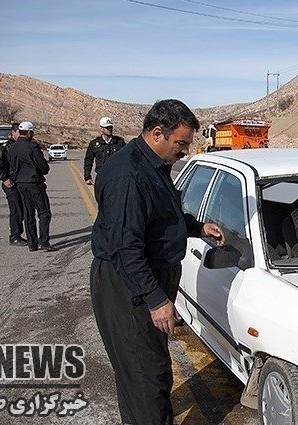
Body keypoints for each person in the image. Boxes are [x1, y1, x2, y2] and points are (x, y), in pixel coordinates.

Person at [90, 99, 224, 425]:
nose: (184, 152)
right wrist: (156, 299)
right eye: (181, 144)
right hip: (130, 284)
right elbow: (126, 248)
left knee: (148, 369)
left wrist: (195, 227)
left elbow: (161, 216)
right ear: (157, 133)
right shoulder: (129, 176)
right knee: (146, 374)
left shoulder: (153, 164)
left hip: (146, 275)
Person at [7, 121, 56, 252]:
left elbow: (11, 166)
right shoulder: (32, 147)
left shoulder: (12, 147)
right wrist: (44, 169)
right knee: (44, 212)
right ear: (29, 133)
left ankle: (32, 244)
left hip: (20, 184)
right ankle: (44, 242)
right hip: (34, 183)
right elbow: (43, 165)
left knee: (28, 213)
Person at [0, 122, 25, 246]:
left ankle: (19, 234)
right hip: (10, 183)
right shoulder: (6, 147)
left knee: (23, 209)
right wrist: (4, 178)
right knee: (16, 209)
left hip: (21, 182)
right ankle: (14, 236)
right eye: (19, 133)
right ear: (13, 132)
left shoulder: (22, 145)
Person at [84, 116, 125, 185]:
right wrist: (87, 177)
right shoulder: (94, 144)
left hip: (117, 178)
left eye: (110, 127)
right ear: (101, 129)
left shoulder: (120, 143)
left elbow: (127, 159)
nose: (109, 129)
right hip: (101, 178)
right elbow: (88, 160)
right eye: (107, 127)